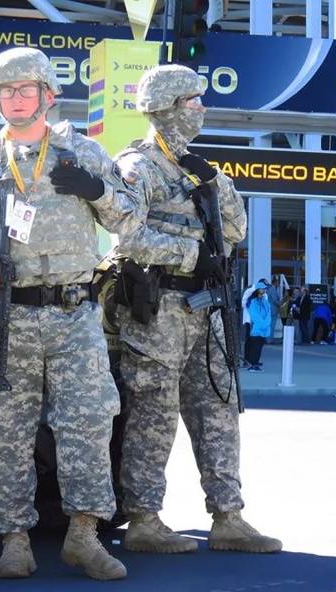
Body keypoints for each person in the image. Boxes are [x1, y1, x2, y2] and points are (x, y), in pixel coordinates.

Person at [0, 48, 140, 581]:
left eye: (26, 90)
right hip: (5, 317)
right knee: (4, 429)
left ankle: (84, 535)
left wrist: (98, 190)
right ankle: (13, 540)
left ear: (48, 95)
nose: (16, 99)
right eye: (6, 90)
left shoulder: (82, 153)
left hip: (73, 314)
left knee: (88, 422)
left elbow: (130, 216)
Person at [112, 64, 281, 555]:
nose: (201, 109)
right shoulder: (137, 167)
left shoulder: (200, 168)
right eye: (193, 101)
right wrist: (191, 253)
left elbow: (237, 229)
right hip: (159, 306)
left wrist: (214, 184)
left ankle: (228, 517)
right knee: (154, 414)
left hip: (206, 308)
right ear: (166, 107)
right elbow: (128, 236)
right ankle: (144, 520)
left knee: (218, 410)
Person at [245, 282, 272, 371]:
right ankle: (252, 365)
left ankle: (255, 364)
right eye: (262, 288)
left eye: (265, 289)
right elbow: (254, 315)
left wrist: (266, 323)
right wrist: (263, 323)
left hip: (264, 329)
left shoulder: (265, 301)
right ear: (258, 289)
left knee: (259, 347)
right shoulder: (252, 301)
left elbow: (268, 313)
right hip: (256, 328)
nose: (264, 290)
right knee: (255, 347)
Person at [265, 276, 281, 344]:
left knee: (269, 326)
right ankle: (269, 340)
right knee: (271, 326)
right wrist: (281, 304)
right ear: (275, 282)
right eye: (278, 282)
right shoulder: (272, 289)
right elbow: (275, 300)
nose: (278, 284)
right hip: (272, 311)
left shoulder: (268, 289)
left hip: (269, 310)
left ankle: (268, 339)